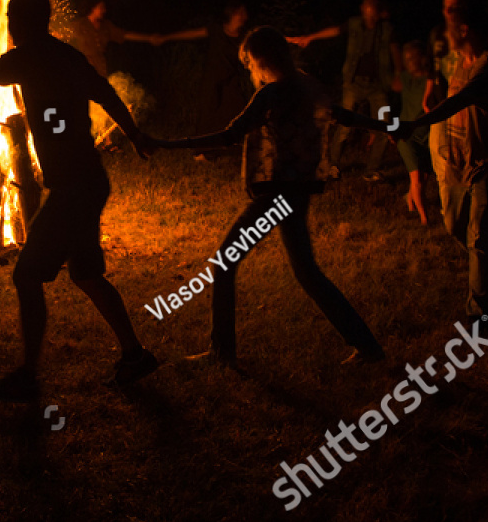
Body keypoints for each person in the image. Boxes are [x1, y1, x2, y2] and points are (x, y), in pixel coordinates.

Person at [0, 0, 160, 401]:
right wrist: (134, 133)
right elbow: (106, 92)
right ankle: (135, 355)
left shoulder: (29, 59)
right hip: (90, 181)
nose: (8, 24)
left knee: (27, 274)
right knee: (86, 274)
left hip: (72, 188)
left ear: (21, 21)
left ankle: (28, 375)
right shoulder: (66, 56)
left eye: (11, 17)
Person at [151, 28, 387, 367]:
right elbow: (343, 115)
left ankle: (222, 351)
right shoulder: (306, 85)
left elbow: (230, 134)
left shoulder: (272, 94)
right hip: (298, 193)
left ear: (259, 60)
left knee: (225, 263)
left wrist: (168, 144)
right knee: (307, 273)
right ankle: (369, 348)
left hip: (277, 197)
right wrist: (390, 127)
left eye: (248, 63)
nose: (249, 70)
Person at [395, 3, 488, 323]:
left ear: (464, 30)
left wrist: (416, 123)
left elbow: (460, 101)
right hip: (455, 161)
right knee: (455, 227)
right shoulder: (458, 63)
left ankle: (478, 316)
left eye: (450, 28)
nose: (444, 35)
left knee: (480, 237)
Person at [290, 0, 402, 181]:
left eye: (373, 16)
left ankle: (372, 169)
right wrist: (311, 37)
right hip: (353, 84)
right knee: (344, 124)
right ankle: (333, 165)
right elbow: (335, 30)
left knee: (384, 125)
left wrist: (398, 75)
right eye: (367, 15)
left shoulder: (387, 30)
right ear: (362, 11)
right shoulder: (354, 24)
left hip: (378, 86)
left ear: (379, 14)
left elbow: (395, 51)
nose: (370, 20)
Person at [158, 1, 253, 158]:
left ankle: (235, 149)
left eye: (245, 13)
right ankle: (203, 151)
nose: (244, 17)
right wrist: (167, 37)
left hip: (231, 81)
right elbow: (191, 34)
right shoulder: (216, 30)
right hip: (212, 80)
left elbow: (265, 39)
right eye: (241, 13)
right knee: (207, 116)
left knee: (238, 113)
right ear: (232, 13)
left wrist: (294, 40)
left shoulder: (244, 36)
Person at [68, 0, 158, 148]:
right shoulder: (79, 25)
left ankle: (106, 141)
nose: (104, 10)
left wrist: (149, 38)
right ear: (92, 7)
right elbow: (61, 35)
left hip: (100, 70)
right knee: (84, 107)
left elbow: (124, 35)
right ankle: (82, 141)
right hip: (82, 70)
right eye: (101, 7)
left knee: (104, 103)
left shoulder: (106, 27)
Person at [425, 0, 468, 214]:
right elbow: (433, 68)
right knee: (439, 157)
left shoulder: (469, 34)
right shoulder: (437, 34)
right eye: (446, 8)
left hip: (465, 107)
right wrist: (428, 94)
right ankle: (448, 208)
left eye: (454, 8)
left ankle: (466, 205)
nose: (449, 12)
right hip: (441, 105)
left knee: (464, 160)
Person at [397, 40, 435, 225]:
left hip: (426, 133)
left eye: (413, 57)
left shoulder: (430, 79)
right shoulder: (404, 78)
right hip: (406, 134)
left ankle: (410, 198)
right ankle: (424, 218)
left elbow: (427, 104)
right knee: (417, 176)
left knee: (424, 177)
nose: (409, 61)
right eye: (407, 58)